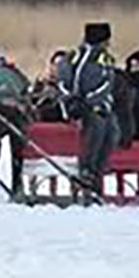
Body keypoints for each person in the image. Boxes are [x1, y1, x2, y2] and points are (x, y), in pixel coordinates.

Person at [57, 22, 120, 182]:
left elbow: (106, 84)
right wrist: (70, 98)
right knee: (96, 126)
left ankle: (97, 170)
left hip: (95, 105)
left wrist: (90, 101)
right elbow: (63, 80)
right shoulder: (73, 56)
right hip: (73, 105)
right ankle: (87, 168)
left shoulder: (105, 59)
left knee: (112, 131)